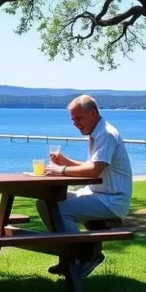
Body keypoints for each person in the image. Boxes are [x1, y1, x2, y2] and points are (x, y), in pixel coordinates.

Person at [39, 94, 132, 279]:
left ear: (92, 113)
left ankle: (83, 255)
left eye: (78, 118)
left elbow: (94, 170)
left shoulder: (105, 134)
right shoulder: (98, 133)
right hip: (98, 194)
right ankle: (69, 258)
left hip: (111, 200)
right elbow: (91, 165)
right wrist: (66, 162)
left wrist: (62, 170)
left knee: (58, 207)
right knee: (45, 203)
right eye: (73, 120)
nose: (76, 124)